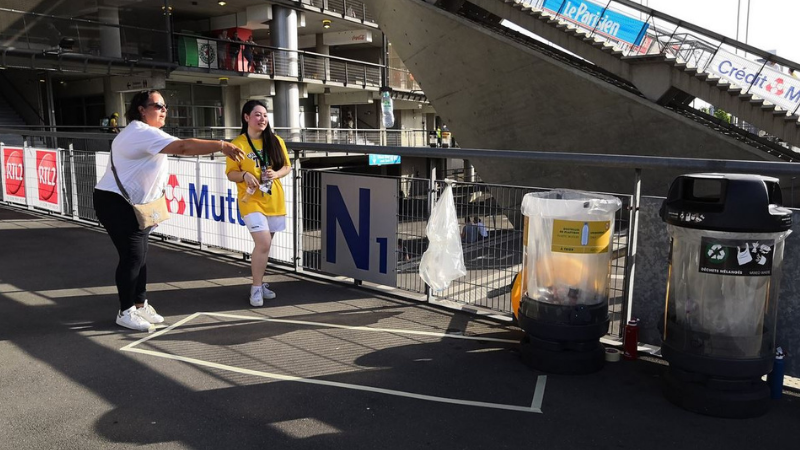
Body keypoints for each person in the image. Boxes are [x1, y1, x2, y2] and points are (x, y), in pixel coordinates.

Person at [93, 90, 245, 331]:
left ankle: (140, 304)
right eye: (158, 106)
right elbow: (183, 147)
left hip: (131, 203)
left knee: (139, 256)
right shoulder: (140, 133)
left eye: (165, 106)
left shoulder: (147, 132)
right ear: (142, 110)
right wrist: (222, 145)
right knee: (132, 257)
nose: (164, 110)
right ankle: (126, 311)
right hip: (116, 203)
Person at [225, 100, 292, 307]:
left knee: (265, 245)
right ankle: (255, 288)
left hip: (273, 198)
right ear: (246, 117)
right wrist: (244, 175)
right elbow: (230, 173)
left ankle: (260, 283)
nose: (262, 119)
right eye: (257, 115)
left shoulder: (276, 140)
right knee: (263, 243)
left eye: (265, 115)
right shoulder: (238, 144)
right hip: (250, 200)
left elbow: (287, 167)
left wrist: (275, 173)